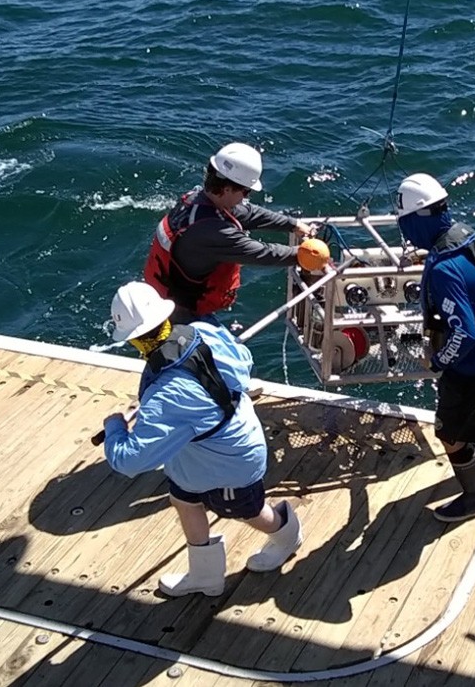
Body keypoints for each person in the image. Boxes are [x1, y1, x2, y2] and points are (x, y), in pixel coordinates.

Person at [101, 280, 303, 597]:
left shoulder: (165, 397)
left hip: (229, 463)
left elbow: (128, 460)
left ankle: (286, 533)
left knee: (248, 510)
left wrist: (114, 426)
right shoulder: (202, 332)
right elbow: (243, 362)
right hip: (218, 444)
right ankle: (205, 576)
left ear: (134, 341)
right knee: (183, 499)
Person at [395, 172, 475, 523]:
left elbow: (465, 332)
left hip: (471, 364)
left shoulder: (445, 270)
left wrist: (439, 361)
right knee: (473, 409)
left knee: (448, 432)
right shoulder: (462, 240)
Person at [143, 142, 316, 324]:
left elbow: (249, 213)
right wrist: (306, 254)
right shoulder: (214, 232)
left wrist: (294, 224)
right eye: (246, 191)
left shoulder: (197, 200)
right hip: (181, 313)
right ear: (227, 189)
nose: (246, 198)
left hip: (165, 297)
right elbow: (263, 253)